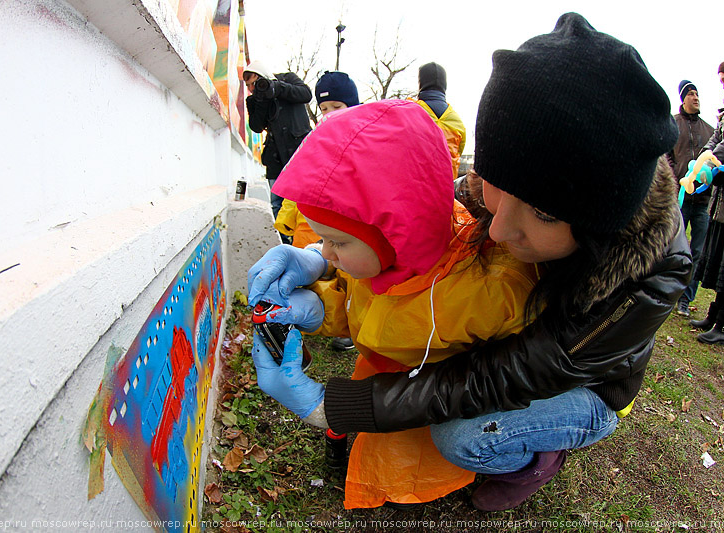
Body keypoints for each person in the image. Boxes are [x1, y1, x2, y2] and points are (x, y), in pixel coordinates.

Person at [248, 13, 690, 512]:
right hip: (516, 342)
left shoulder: (644, 281)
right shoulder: (499, 191)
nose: (499, 230)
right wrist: (319, 256)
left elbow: (499, 376)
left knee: (463, 436)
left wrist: (335, 406)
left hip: (585, 384)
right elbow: (416, 218)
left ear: (597, 227)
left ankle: (539, 458)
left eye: (542, 212)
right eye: (498, 183)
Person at [255, 98, 541, 508]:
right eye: (322, 240)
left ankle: (531, 455)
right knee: (385, 453)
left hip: (444, 396)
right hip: (392, 384)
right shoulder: (384, 260)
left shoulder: (487, 292)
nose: (326, 253)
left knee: (432, 453)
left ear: (395, 230)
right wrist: (317, 307)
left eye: (336, 242)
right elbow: (370, 312)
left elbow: (505, 378)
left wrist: (325, 406)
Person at [273, 71, 361, 352]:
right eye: (324, 109)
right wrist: (286, 217)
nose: (329, 114)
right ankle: (312, 320)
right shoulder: (314, 141)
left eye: (337, 107)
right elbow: (296, 181)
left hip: (348, 223)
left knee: (349, 276)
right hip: (310, 223)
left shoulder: (365, 140)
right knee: (312, 275)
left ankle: (348, 327)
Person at [689, 61, 724, 344]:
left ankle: (723, 326)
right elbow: (714, 140)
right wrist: (704, 156)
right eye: (721, 81)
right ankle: (713, 316)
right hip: (723, 199)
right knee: (721, 262)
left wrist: (712, 157)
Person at [243, 61, 312, 222]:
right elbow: (256, 126)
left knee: (304, 200)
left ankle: (303, 239)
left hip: (300, 153)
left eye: (256, 82)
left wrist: (276, 88)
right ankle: (285, 241)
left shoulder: (287, 79)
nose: (253, 88)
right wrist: (262, 99)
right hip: (275, 158)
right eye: (249, 86)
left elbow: (306, 94)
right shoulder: (253, 100)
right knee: (277, 204)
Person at [667, 80, 715, 316]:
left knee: (697, 251)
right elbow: (665, 157)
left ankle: (685, 300)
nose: (696, 98)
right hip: (680, 199)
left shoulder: (710, 130)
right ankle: (664, 292)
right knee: (672, 246)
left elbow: (715, 159)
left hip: (703, 202)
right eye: (692, 94)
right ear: (683, 98)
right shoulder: (672, 124)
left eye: (698, 94)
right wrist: (677, 179)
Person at [413, 62, 467, 178]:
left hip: (415, 188)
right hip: (446, 189)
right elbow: (459, 152)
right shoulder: (458, 122)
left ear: (420, 83)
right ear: (444, 85)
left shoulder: (408, 113)